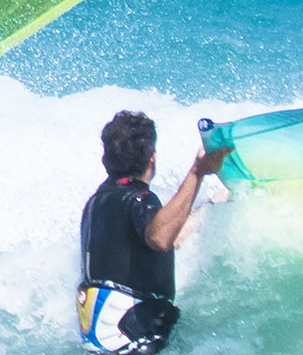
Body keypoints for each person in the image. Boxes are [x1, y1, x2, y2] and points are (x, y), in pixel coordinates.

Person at [77, 110, 233, 354]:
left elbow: (166, 238)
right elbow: (160, 238)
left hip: (105, 340)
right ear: (152, 158)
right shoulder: (139, 199)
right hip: (133, 339)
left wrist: (215, 205)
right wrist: (198, 171)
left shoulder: (97, 204)